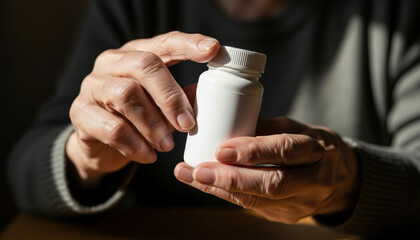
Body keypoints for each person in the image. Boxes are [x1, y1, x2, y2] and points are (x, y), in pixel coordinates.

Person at [7, 0, 420, 237]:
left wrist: (348, 181)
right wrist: (87, 157)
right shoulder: (133, 7)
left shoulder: (397, 16)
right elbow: (24, 169)